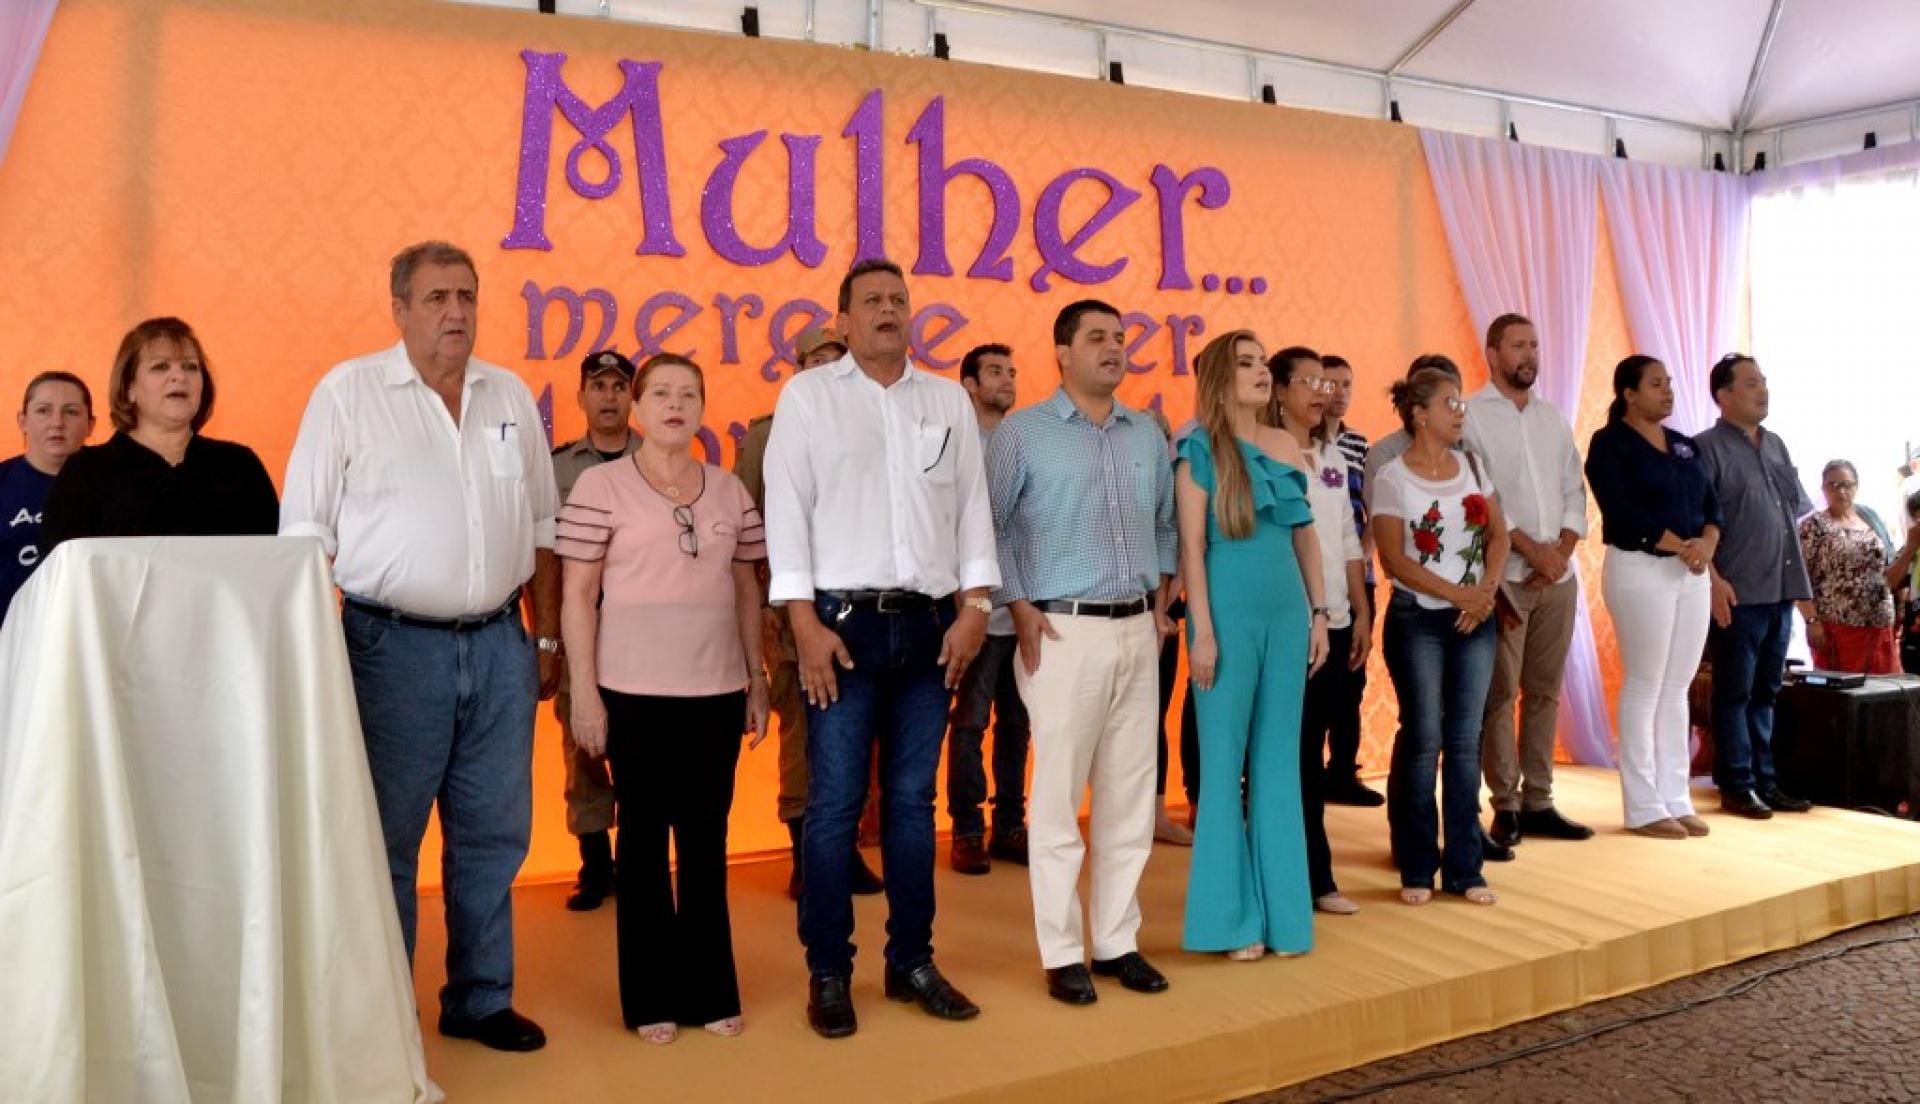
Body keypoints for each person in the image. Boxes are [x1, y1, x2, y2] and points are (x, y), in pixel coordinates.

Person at [281, 241, 559, 1052]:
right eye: (437, 297)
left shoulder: (509, 394)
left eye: (467, 296)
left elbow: (542, 528)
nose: (456, 312)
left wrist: (543, 638)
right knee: (388, 841)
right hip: (389, 649)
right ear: (399, 308)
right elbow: (305, 535)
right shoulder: (348, 393)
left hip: (501, 646)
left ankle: (479, 998)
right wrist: (316, 656)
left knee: (493, 835)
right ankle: (381, 1019)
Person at [762, 258, 997, 1039]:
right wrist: (803, 625)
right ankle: (829, 972)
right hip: (841, 630)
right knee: (833, 807)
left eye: (899, 298)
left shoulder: (946, 400)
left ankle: (912, 962)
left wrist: (975, 607)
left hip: (932, 630)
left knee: (911, 804)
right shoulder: (808, 397)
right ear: (843, 320)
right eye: (872, 301)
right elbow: (787, 513)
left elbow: (972, 510)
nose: (889, 310)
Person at [556, 353, 770, 1044]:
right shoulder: (599, 485)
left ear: (703, 407)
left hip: (716, 690)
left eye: (688, 394)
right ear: (639, 407)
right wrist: (585, 696)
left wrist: (757, 677)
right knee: (643, 844)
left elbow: (747, 589)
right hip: (631, 692)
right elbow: (577, 595)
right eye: (661, 394)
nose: (675, 405)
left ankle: (711, 990)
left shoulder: (730, 490)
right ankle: (650, 997)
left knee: (708, 840)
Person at [988, 301, 1178, 1003]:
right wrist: (1017, 604)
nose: (1113, 348)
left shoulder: (1146, 432)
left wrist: (1163, 597)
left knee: (1129, 797)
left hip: (1137, 628)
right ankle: (1062, 951)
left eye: (1120, 338)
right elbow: (990, 525)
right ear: (1062, 353)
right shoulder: (1023, 433)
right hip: (1061, 632)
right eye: (1097, 337)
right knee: (1058, 798)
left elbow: (1165, 523)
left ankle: (1117, 941)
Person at [1178, 330, 1330, 959]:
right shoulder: (1196, 450)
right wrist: (1203, 632)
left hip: (1289, 616)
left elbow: (1305, 537)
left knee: (1278, 765)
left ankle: (1284, 920)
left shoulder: (1286, 445)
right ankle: (1231, 923)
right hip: (1225, 619)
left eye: (1264, 361)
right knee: (1222, 769)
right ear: (1221, 377)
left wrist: (1319, 614)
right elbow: (1191, 550)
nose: (1262, 371)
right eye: (1247, 363)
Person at [734, 325, 883, 901]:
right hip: (792, 612)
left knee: (856, 735)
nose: (826, 370)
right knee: (801, 735)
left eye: (835, 360)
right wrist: (763, 611)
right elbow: (746, 530)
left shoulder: (874, 426)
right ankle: (804, 857)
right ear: (797, 371)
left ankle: (844, 851)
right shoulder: (767, 434)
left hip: (860, 609)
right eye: (815, 361)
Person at [1372, 367, 1509, 907]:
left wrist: (1486, 592)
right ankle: (1416, 865)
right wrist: (1460, 596)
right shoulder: (1392, 476)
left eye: (1461, 404)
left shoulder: (1472, 465)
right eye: (1449, 403)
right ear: (1419, 414)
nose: (1459, 412)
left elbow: (1498, 535)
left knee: (1465, 740)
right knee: (1424, 738)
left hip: (1476, 619)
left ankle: (1464, 869)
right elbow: (1394, 559)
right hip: (1419, 622)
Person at [1460, 314, 1593, 849]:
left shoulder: (1552, 417)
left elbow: (1574, 490)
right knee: (1500, 692)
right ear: (1493, 354)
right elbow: (1479, 495)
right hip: (1504, 576)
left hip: (1556, 576)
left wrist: (1559, 553)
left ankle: (1540, 799)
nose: (1530, 355)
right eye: (1518, 345)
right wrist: (1530, 550)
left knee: (1544, 691)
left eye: (1534, 345)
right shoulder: (1471, 415)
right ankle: (1507, 803)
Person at [1585, 356, 1722, 839]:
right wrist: (1678, 545)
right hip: (1642, 569)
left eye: (1669, 383)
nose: (1667, 391)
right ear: (1629, 393)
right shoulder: (1610, 444)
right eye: (1656, 384)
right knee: (1645, 683)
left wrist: (1707, 543)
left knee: (1677, 686)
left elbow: (1712, 505)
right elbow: (1620, 511)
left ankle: (1675, 796)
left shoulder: (1683, 444)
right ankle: (1643, 806)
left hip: (1691, 572)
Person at [1694, 354, 1814, 820]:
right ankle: (1737, 784)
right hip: (1737, 592)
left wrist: (1802, 592)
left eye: (1763, 382)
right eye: (1750, 383)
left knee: (1767, 690)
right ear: (1723, 395)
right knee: (1735, 692)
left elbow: (1792, 511)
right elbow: (1696, 523)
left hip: (1779, 589)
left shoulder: (1776, 443)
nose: (1763, 390)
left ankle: (1765, 780)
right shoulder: (1706, 448)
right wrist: (1713, 581)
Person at [42, 318, 278, 550]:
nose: (180, 377)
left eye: (190, 367)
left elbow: (276, 559)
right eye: (161, 367)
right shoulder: (86, 473)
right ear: (129, 388)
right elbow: (65, 568)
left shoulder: (240, 465)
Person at [1270, 347, 1365, 915]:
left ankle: (1315, 876)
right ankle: (1306, 878)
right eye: (1307, 381)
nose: (1321, 392)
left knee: (1316, 748)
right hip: (1289, 622)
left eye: (1324, 382)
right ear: (1279, 390)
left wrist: (1361, 611)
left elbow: (1349, 540)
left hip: (1337, 619)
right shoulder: (1264, 453)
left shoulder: (1333, 456)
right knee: (1296, 755)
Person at [548, 349, 641, 912]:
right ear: (581, 396)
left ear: (633, 397)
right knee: (581, 749)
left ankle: (635, 861)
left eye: (619, 386)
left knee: (638, 748)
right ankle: (594, 864)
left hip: (640, 633)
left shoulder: (657, 461)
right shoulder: (558, 468)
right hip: (578, 626)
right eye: (598, 386)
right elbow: (544, 565)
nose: (609, 396)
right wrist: (547, 641)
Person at [948, 342, 1032, 874]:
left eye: (1012, 371)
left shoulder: (1027, 442)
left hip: (1025, 609)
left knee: (1018, 724)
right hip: (974, 609)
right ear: (970, 385)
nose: (1007, 380)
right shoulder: (957, 446)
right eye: (995, 372)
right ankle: (966, 830)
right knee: (970, 724)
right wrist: (964, 607)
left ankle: (1010, 826)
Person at [1318, 353, 1383, 807]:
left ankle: (1342, 771)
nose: (1339, 393)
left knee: (1352, 678)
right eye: (1330, 384)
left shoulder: (1360, 444)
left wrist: (1363, 555)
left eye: (1347, 384)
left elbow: (1372, 509)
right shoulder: (1292, 441)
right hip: (1316, 578)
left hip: (1359, 574)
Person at [1147, 403, 1200, 844]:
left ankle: (1156, 812)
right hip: (1119, 614)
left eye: (1161, 439)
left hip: (1162, 615)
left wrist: (1162, 608)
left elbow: (1183, 550)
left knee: (1155, 713)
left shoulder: (1175, 489)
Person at [2, 372, 93, 619]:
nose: (57, 423)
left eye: (71, 412)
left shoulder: (116, 486)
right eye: (43, 411)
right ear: (22, 421)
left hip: (86, 628)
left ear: (90, 424)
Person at [1796, 460, 1899, 674]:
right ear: (1823, 488)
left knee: (1884, 690)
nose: (1840, 491)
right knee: (1844, 691)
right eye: (1833, 485)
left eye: (1846, 484)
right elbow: (1798, 576)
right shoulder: (1813, 526)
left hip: (1878, 624)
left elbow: (1888, 567)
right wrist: (1811, 620)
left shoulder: (1870, 518)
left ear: (1856, 486)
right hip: (1837, 628)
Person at [1889, 492, 1920, 676]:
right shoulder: (1912, 547)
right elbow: (1891, 582)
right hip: (1914, 640)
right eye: (1917, 518)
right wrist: (1910, 549)